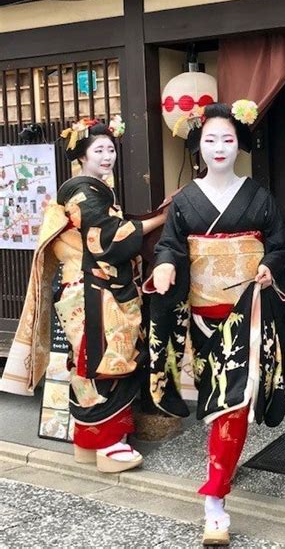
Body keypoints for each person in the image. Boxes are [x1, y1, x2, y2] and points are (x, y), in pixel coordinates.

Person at [146, 101, 285, 545]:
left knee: (232, 404)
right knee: (217, 403)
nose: (218, 148)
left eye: (227, 139)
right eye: (210, 139)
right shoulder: (186, 201)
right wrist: (167, 265)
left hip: (247, 313)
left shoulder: (259, 196)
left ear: (240, 145)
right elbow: (170, 246)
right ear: (198, 145)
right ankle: (221, 468)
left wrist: (270, 263)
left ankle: (214, 500)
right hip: (201, 315)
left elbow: (283, 243)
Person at [0, 117, 165, 473]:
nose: (107, 156)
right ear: (82, 156)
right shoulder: (84, 193)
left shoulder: (89, 190)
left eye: (110, 149)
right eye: (99, 150)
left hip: (87, 289)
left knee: (88, 363)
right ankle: (108, 445)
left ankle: (88, 444)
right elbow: (108, 240)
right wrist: (159, 219)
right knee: (108, 363)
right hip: (96, 293)